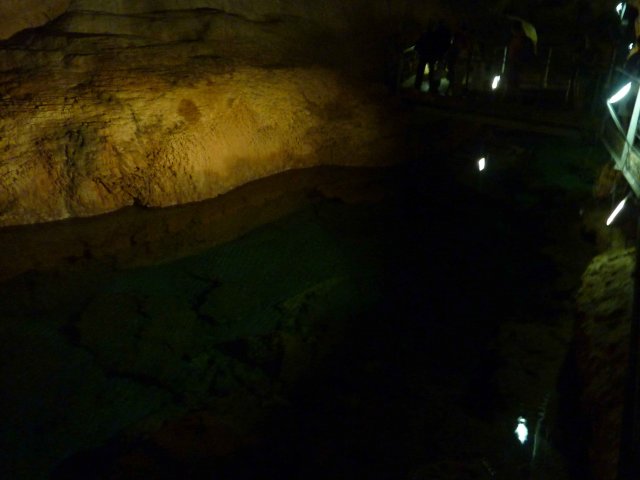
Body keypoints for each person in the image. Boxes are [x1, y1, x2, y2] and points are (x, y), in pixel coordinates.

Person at [414, 20, 452, 94]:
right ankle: (432, 87)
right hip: (431, 55)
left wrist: (418, 51)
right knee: (431, 71)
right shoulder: (435, 35)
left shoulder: (425, 34)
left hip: (424, 55)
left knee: (421, 71)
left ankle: (417, 86)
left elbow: (419, 43)